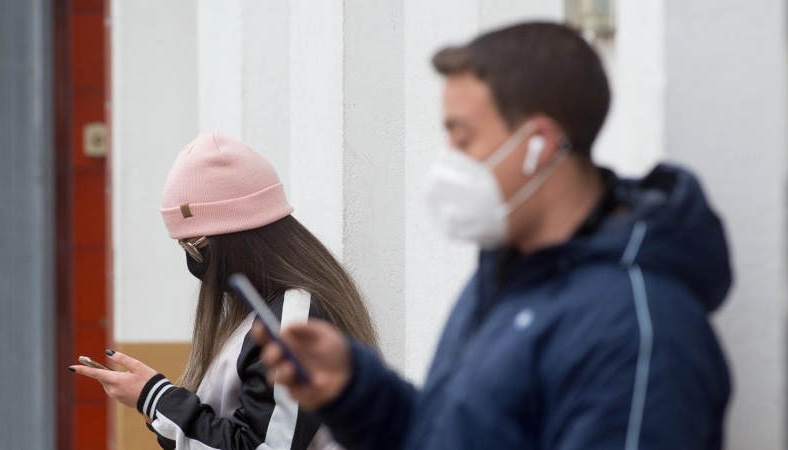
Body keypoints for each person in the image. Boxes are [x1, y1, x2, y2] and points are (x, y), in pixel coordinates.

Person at [257, 22, 732, 449]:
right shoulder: (506, 276)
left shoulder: (637, 328)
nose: (447, 160)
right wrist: (355, 389)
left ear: (539, 146)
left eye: (462, 138)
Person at [71, 131, 378, 449]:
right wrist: (160, 405)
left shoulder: (293, 321)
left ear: (234, 236)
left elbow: (261, 445)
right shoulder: (264, 314)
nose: (191, 258)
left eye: (192, 245)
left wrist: (155, 397)